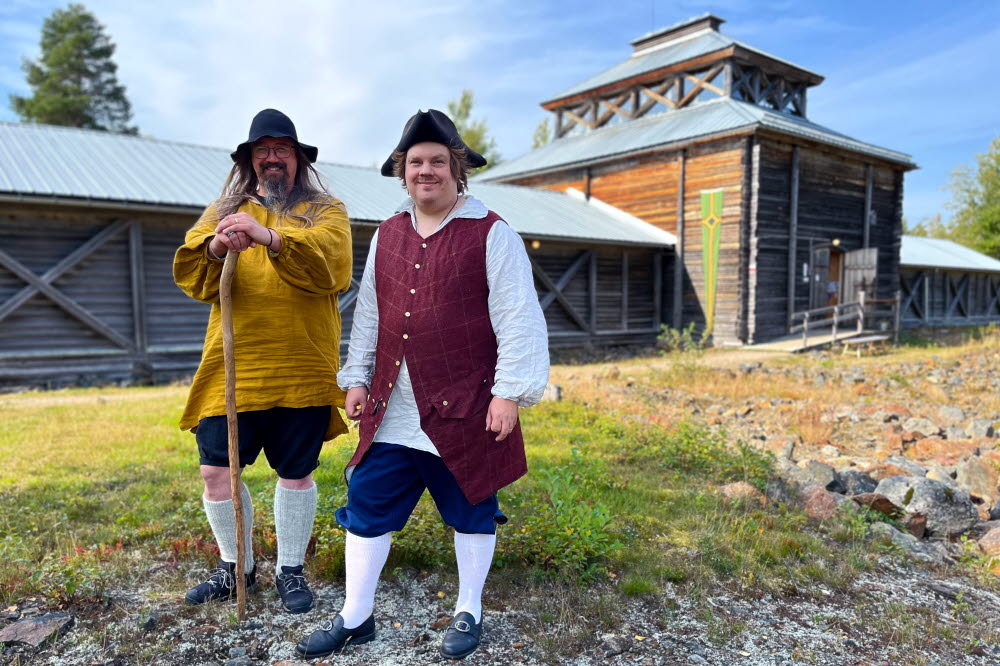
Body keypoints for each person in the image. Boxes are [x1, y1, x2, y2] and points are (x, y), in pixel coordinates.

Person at [296, 109, 549, 660]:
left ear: (458, 168)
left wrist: (509, 392)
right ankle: (355, 616)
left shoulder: (492, 233)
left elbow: (518, 317)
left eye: (438, 161)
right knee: (366, 505)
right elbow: (370, 312)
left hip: (465, 404)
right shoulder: (388, 232)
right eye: (416, 162)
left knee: (471, 506)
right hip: (393, 406)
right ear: (401, 170)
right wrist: (357, 375)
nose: (426, 170)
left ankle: (468, 610)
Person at [173, 108, 353, 614]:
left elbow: (332, 265)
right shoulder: (225, 208)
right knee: (217, 472)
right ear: (250, 161)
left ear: (297, 158)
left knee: (295, 472)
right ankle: (237, 567)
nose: (272, 158)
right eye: (262, 151)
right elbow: (191, 271)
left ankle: (290, 570)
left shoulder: (324, 209)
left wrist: (269, 236)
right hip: (234, 368)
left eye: (282, 149)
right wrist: (216, 246)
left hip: (301, 364)